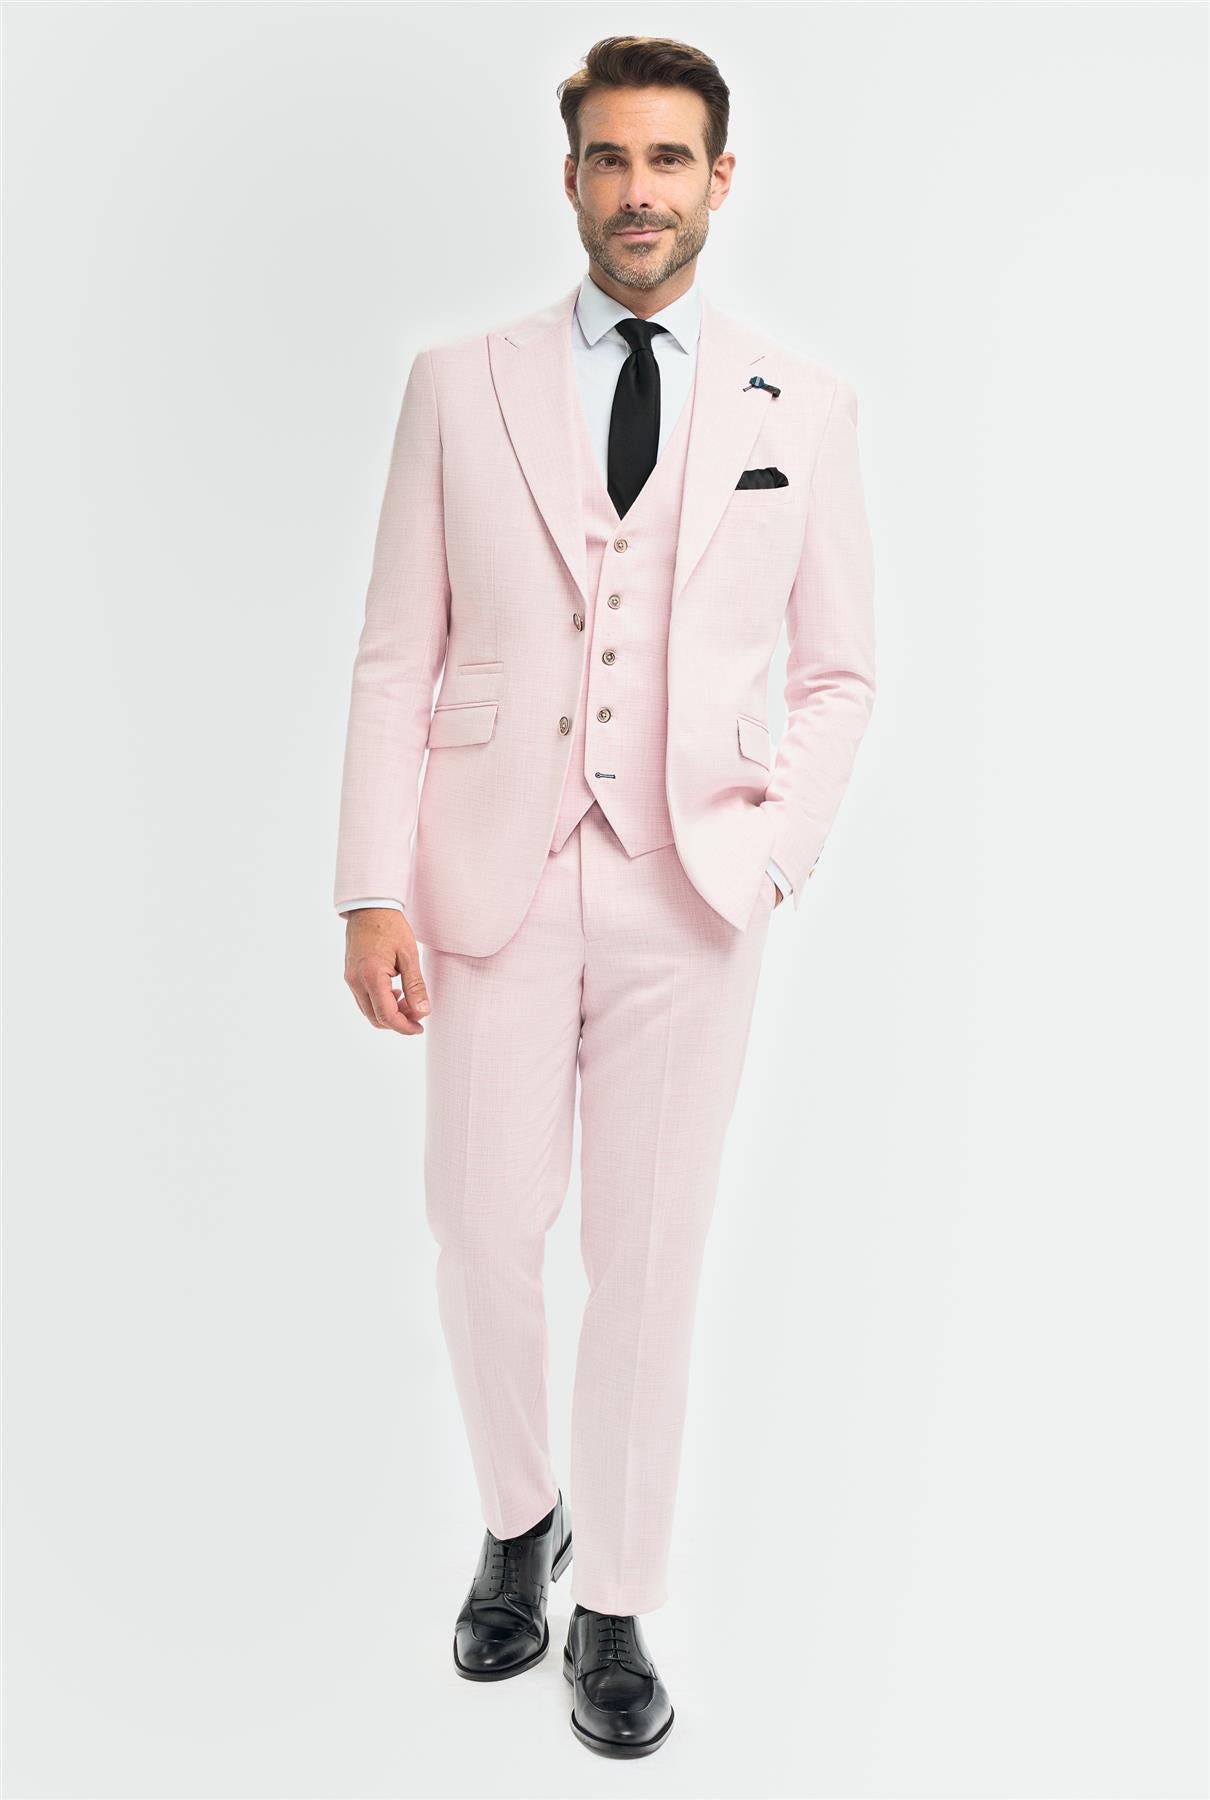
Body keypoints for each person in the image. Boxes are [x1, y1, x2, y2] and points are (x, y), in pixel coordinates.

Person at [333, 33, 876, 1759]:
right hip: (485, 874)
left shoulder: (802, 404)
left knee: (646, 1262)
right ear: (569, 176)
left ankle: (618, 1600)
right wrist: (368, 886)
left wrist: (773, 854)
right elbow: (395, 654)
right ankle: (522, 1518)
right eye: (610, 159)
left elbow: (838, 672)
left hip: (692, 889)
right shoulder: (456, 383)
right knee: (479, 1231)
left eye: (668, 160)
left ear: (720, 179)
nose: (638, 192)